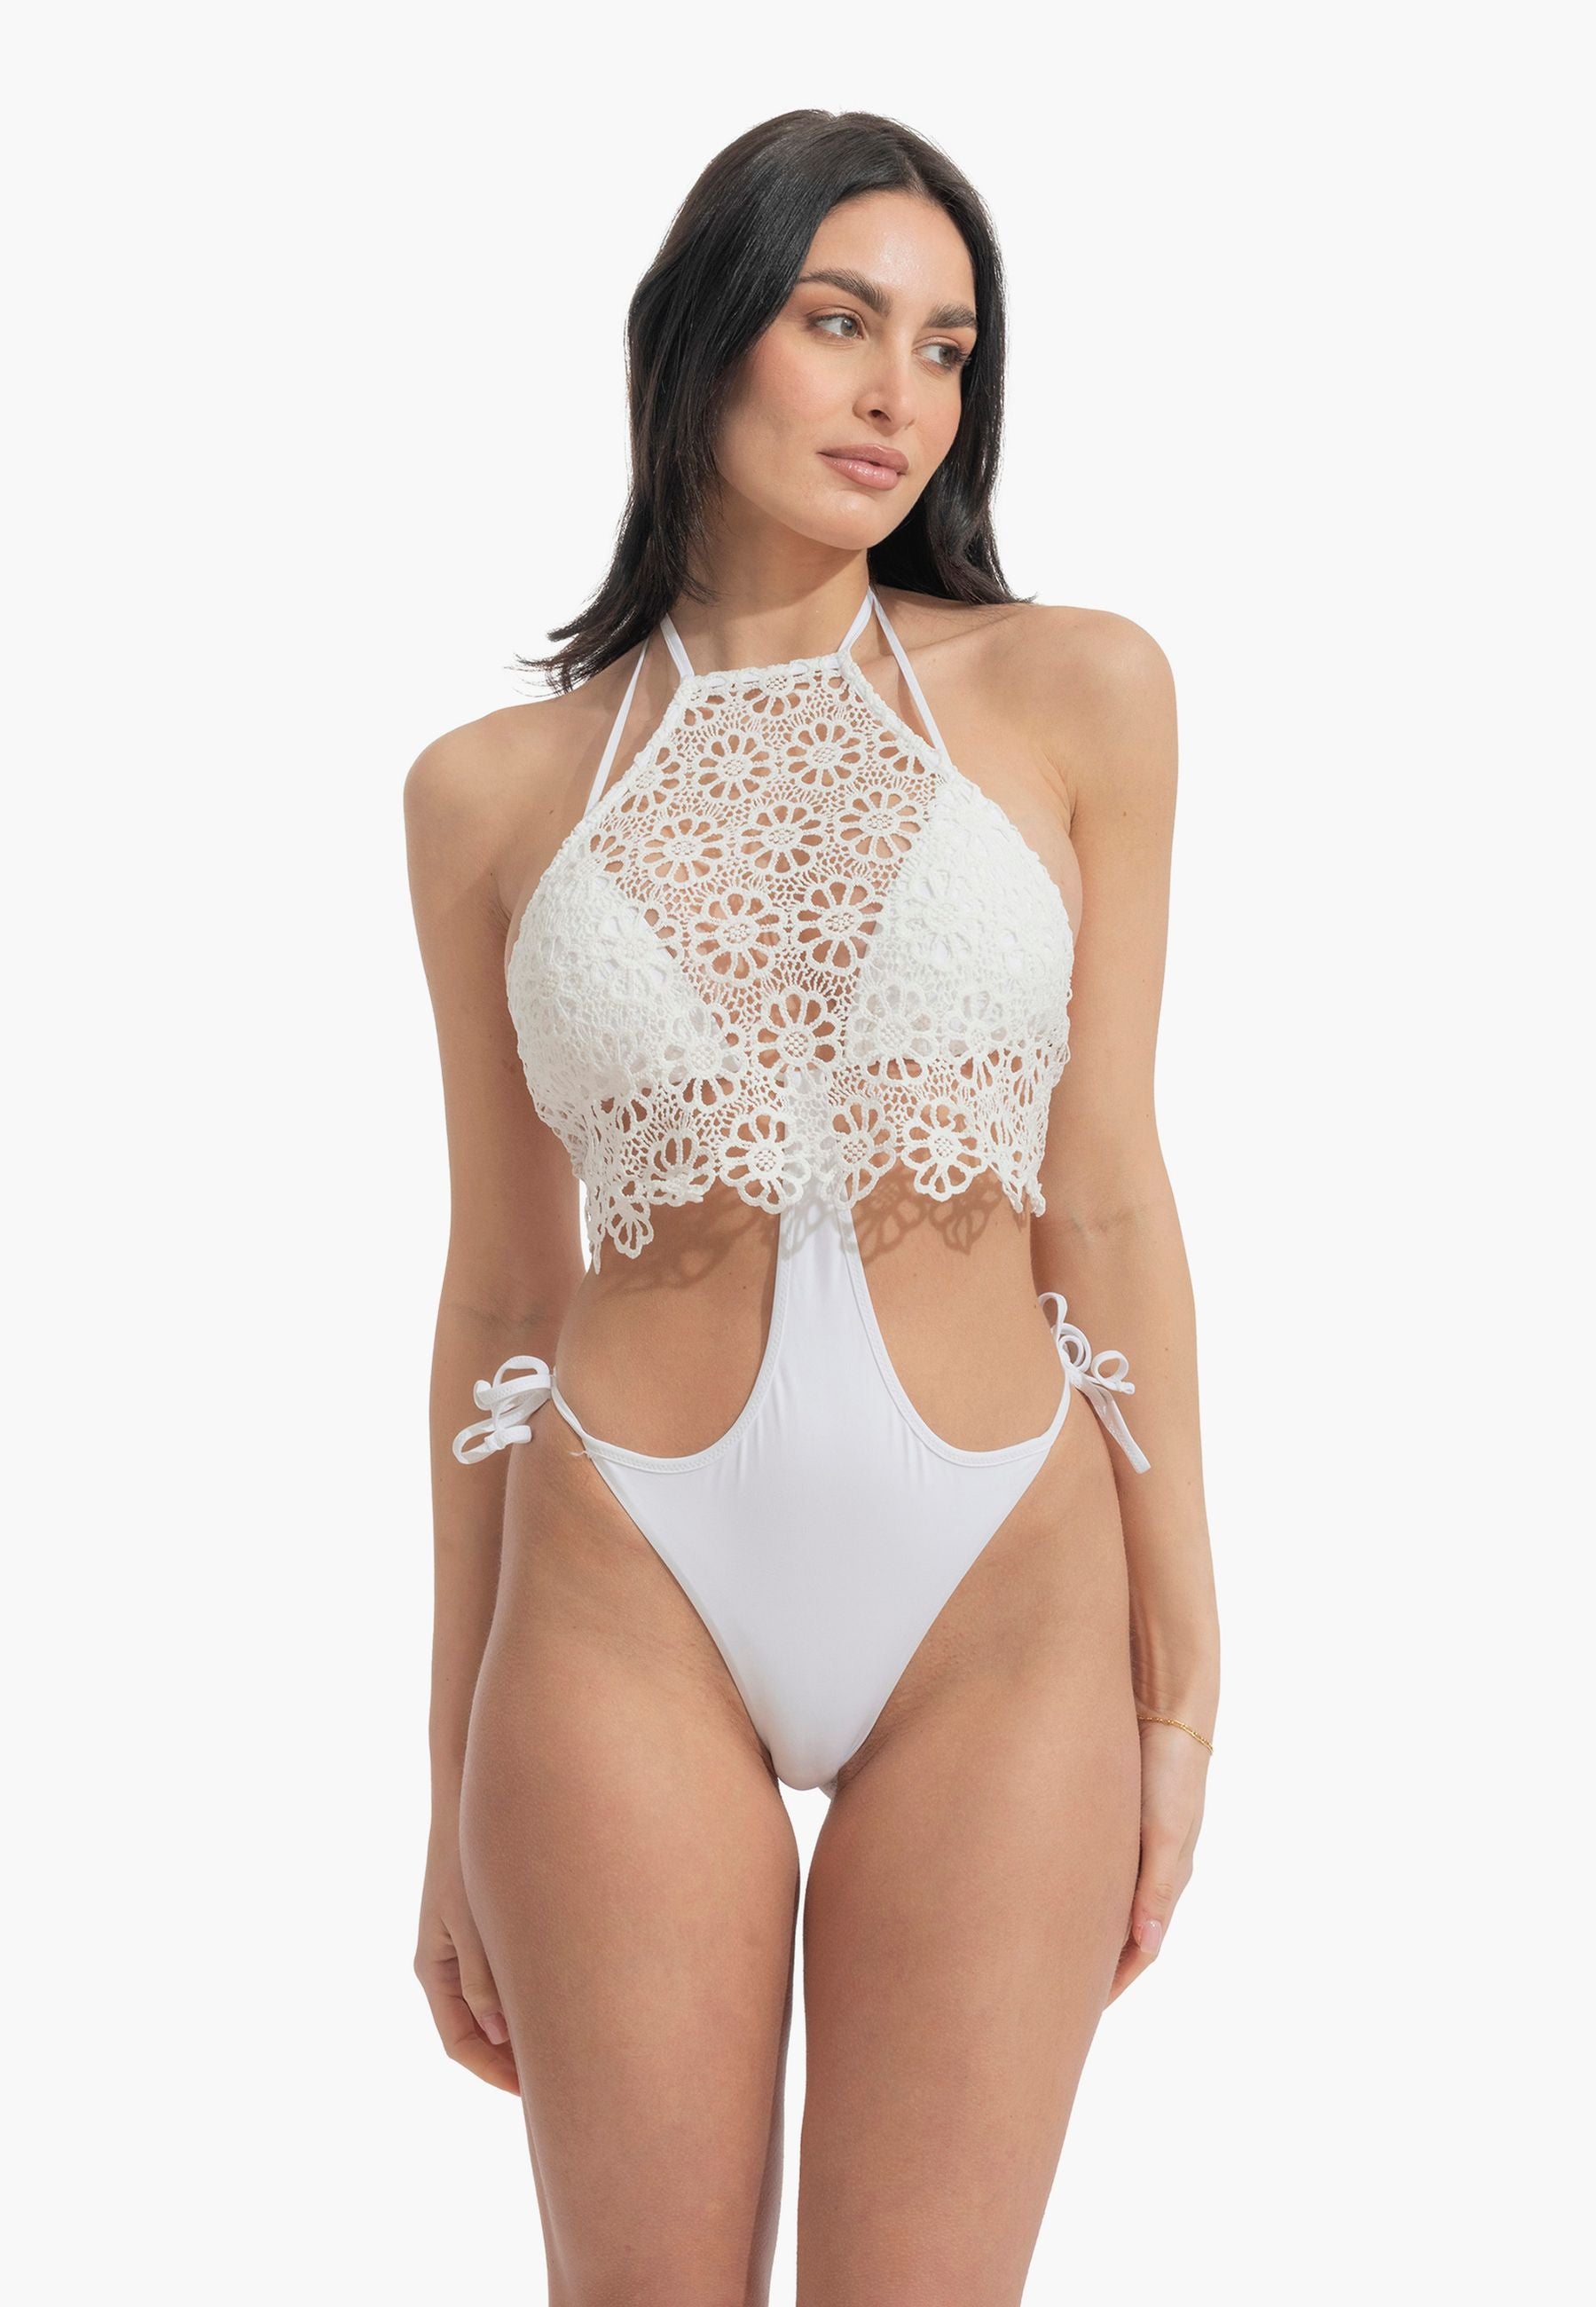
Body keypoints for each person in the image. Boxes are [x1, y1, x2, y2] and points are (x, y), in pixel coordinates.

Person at [404, 106, 1219, 2305]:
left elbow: (1109, 1194)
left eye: (948, 348)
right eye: (840, 321)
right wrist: (447, 1768)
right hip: (619, 1584)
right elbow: (495, 1290)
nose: (899, 396)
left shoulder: (1080, 692)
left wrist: (1184, 1685)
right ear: (696, 339)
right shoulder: (487, 794)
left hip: (1005, 1583)